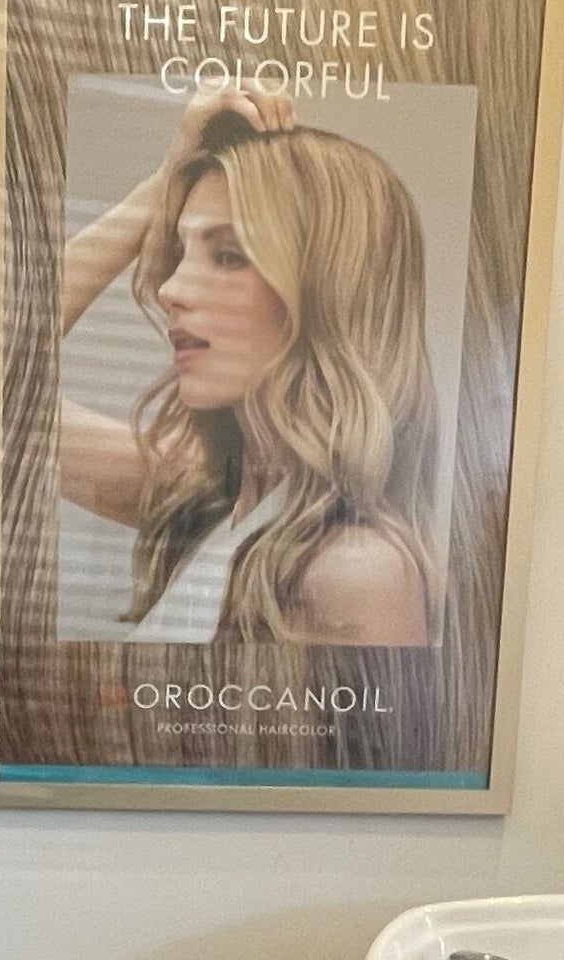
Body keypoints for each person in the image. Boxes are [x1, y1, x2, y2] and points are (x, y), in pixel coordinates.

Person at [58, 88, 443, 647]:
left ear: (326, 294)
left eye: (229, 256)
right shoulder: (211, 502)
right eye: (182, 253)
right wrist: (167, 176)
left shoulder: (358, 573)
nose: (169, 290)